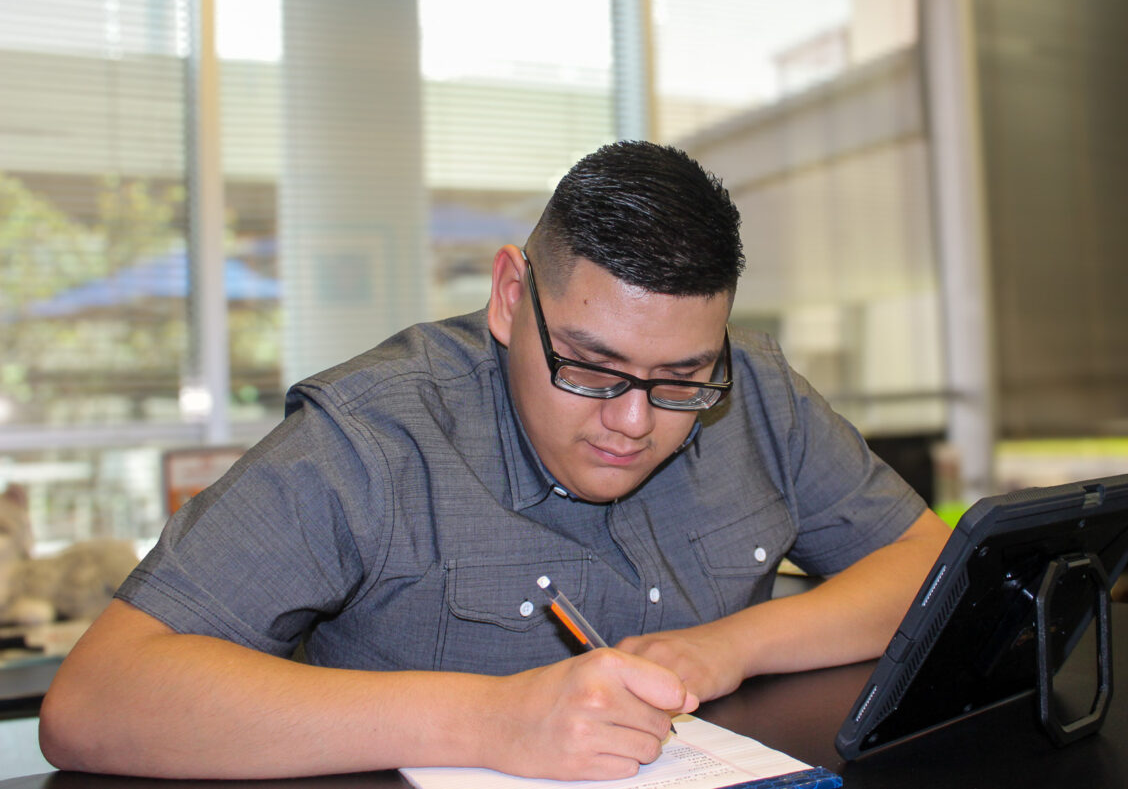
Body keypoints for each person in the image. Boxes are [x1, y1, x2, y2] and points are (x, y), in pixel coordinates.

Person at [39, 140, 950, 780]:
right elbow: (95, 699)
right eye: (590, 366)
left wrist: (723, 648)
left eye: (680, 378)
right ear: (511, 298)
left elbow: (926, 562)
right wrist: (489, 719)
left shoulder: (756, 390)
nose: (633, 420)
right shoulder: (372, 437)